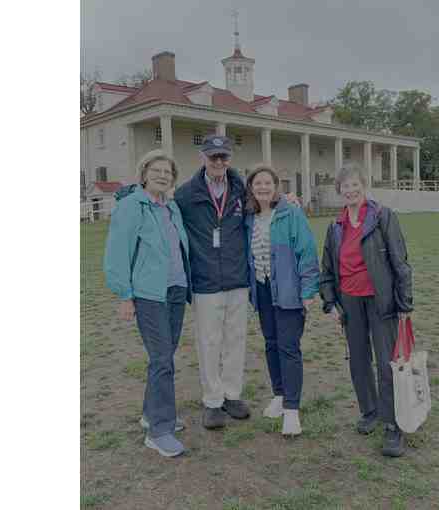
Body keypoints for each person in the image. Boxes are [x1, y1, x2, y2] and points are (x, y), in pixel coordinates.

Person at [319, 164, 413, 457]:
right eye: (344, 186)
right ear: (339, 191)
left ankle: (393, 425)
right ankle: (370, 412)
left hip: (380, 300)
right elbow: (326, 271)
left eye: (354, 185)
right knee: (358, 361)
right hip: (350, 302)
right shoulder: (335, 227)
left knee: (386, 363)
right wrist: (330, 302)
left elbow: (400, 261)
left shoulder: (383, 217)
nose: (350, 190)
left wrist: (405, 303)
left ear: (364, 185)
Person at [104, 150, 191, 457]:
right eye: (157, 170)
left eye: (168, 172)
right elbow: (117, 253)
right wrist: (125, 295)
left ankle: (151, 413)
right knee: (162, 360)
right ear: (144, 174)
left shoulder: (172, 208)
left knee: (164, 357)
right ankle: (159, 431)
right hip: (149, 295)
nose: (163, 175)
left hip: (177, 290)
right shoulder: (130, 207)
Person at [173, 135, 252, 429]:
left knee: (236, 340)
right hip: (205, 282)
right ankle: (212, 400)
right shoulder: (185, 194)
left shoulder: (242, 190)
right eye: (212, 157)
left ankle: (232, 395)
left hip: (237, 278)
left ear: (229, 158)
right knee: (209, 342)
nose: (218, 162)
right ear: (202, 158)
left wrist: (288, 201)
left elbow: (268, 201)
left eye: (223, 157)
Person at [244, 164, 320, 436]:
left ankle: (292, 409)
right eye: (257, 183)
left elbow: (307, 253)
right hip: (262, 291)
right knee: (271, 344)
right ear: (251, 189)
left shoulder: (291, 213)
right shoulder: (249, 217)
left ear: (276, 186)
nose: (262, 187)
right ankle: (278, 394)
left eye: (267, 183)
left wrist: (308, 290)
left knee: (289, 347)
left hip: (288, 291)